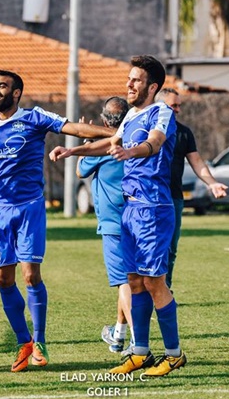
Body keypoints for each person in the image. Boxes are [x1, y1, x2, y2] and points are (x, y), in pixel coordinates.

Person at [0, 69, 114, 373]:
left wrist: (116, 134)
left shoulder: (34, 117)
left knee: (30, 275)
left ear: (16, 93)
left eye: (2, 86)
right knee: (3, 278)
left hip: (29, 207)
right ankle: (23, 342)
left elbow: (73, 127)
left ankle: (39, 342)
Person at [49, 55, 186, 377]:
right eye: (129, 79)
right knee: (134, 281)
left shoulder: (161, 112)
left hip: (152, 207)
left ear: (152, 87)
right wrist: (72, 151)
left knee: (154, 281)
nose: (129, 84)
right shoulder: (132, 115)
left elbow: (155, 143)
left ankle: (174, 354)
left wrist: (130, 151)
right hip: (130, 209)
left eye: (136, 80)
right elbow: (109, 142)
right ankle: (140, 352)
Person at [76, 97, 134, 354]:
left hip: (113, 223)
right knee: (132, 279)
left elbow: (80, 170)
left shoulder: (106, 147)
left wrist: (87, 142)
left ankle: (138, 341)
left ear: (103, 121)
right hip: (138, 218)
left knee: (124, 282)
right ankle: (118, 334)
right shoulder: (135, 140)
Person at [154, 88, 227, 289]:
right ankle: (145, 292)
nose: (178, 110)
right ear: (159, 107)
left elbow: (196, 161)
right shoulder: (146, 130)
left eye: (179, 105)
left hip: (174, 198)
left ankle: (164, 291)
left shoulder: (184, 132)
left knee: (170, 248)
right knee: (149, 247)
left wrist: (212, 183)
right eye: (173, 106)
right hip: (149, 197)